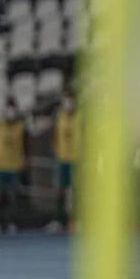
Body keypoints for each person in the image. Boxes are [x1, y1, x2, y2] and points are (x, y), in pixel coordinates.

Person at [0, 101, 29, 234]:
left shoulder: (21, 126)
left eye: (13, 110)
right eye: (9, 110)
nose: (11, 113)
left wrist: (26, 159)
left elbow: (27, 143)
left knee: (13, 196)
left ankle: (12, 223)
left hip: (14, 166)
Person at [49, 95, 80, 233]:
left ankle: (76, 221)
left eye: (71, 101)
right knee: (60, 190)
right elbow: (55, 136)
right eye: (66, 101)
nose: (69, 104)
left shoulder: (81, 117)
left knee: (76, 191)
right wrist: (56, 149)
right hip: (62, 159)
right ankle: (58, 221)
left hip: (77, 159)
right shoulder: (59, 117)